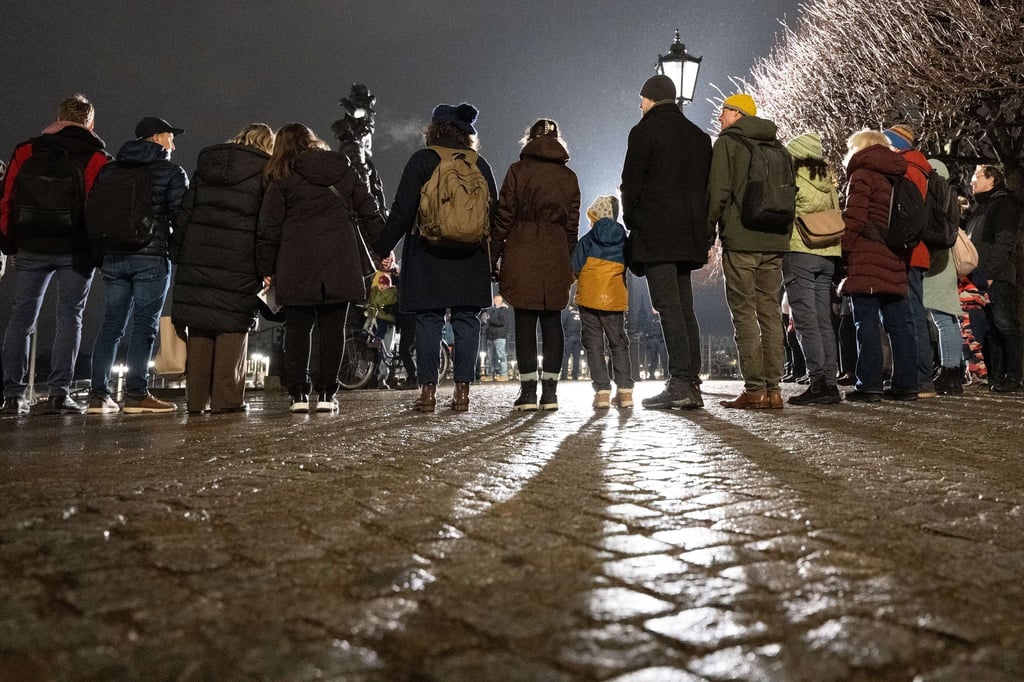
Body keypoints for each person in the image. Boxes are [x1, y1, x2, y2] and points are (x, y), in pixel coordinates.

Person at [374, 103, 496, 413]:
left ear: (434, 129)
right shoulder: (480, 165)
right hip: (471, 256)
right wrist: (495, 259)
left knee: (428, 320)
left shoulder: (422, 160)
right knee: (467, 320)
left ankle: (428, 392)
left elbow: (402, 210)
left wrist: (382, 246)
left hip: (427, 253)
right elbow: (493, 217)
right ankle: (463, 393)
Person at [256, 123, 385, 413]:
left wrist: (265, 266)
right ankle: (327, 393)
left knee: (297, 330)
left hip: (296, 263)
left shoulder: (282, 176)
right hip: (340, 260)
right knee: (333, 329)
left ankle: (299, 394)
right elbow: (369, 210)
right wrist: (384, 248)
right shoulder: (343, 169)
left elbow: (269, 226)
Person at [1, 94, 110, 415]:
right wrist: (98, 251)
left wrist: (10, 242)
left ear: (58, 116)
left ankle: (13, 395)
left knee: (21, 318)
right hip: (76, 249)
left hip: (32, 243)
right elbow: (100, 210)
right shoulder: (97, 157)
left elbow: (7, 197)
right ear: (90, 122)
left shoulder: (26, 150)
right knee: (70, 319)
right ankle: (60, 394)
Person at [620, 75, 712, 409]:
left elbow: (630, 184)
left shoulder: (643, 132)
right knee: (685, 308)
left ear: (652, 99)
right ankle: (691, 380)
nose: (639, 105)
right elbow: (707, 190)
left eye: (642, 99)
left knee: (668, 308)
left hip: (657, 234)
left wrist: (633, 222)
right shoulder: (699, 138)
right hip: (688, 234)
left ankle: (680, 382)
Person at [170, 123, 275, 415]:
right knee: (232, 326)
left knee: (200, 325)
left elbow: (185, 211)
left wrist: (177, 252)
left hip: (197, 254)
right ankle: (227, 400)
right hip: (239, 260)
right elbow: (266, 224)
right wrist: (268, 265)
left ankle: (196, 401)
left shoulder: (206, 166)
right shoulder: (267, 172)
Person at [86, 117, 189, 414]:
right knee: (144, 325)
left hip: (114, 257)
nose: (173, 142)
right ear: (156, 137)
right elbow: (180, 217)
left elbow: (96, 211)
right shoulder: (171, 172)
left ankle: (98, 395)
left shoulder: (110, 169)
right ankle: (136, 394)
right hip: (151, 256)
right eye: (170, 136)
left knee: (110, 325)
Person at [708, 93, 791, 409]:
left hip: (742, 240)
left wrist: (708, 235)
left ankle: (754, 389)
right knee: (769, 311)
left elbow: (718, 192)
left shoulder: (728, 144)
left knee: (744, 313)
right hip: (774, 240)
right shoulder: (776, 145)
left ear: (735, 114)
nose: (719, 118)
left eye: (723, 112)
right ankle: (774, 390)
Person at [491, 118, 580, 411]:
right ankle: (551, 393)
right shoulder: (569, 178)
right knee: (553, 321)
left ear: (529, 139)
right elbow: (572, 227)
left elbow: (503, 216)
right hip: (555, 250)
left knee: (525, 322)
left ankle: (528, 392)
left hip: (522, 248)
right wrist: (566, 259)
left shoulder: (518, 171)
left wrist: (493, 255)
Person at [838, 130, 918, 401]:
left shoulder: (862, 174)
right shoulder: (897, 176)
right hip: (894, 255)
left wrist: (843, 251)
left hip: (867, 256)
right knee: (898, 324)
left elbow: (855, 219)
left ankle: (869, 383)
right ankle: (907, 384)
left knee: (866, 322)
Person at [782, 132, 842, 404]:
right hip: (828, 253)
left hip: (801, 252)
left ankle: (817, 382)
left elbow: (787, 212)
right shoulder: (828, 180)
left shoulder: (794, 177)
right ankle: (830, 381)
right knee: (823, 321)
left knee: (806, 321)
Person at [883, 125, 936, 398]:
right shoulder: (920, 167)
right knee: (913, 312)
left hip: (909, 251)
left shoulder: (907, 168)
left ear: (896, 145)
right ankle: (919, 377)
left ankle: (921, 378)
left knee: (912, 315)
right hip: (917, 249)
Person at [571, 194, 634, 409]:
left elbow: (576, 266)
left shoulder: (588, 239)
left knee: (594, 345)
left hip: (589, 298)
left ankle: (602, 393)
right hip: (614, 297)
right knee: (618, 344)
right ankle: (625, 392)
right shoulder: (623, 238)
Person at [967, 164, 1023, 392]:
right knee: (991, 328)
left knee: (1005, 325)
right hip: (983, 276)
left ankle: (1014, 376)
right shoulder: (982, 208)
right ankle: (996, 375)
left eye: (976, 177)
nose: (972, 181)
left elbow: (1004, 244)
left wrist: (990, 274)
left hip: (996, 277)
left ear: (992, 179)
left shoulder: (1003, 205)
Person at [921, 159, 964, 395]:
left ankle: (950, 372)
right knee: (947, 318)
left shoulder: (936, 195)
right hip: (945, 265)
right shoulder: (949, 197)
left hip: (938, 264)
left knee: (943, 319)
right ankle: (951, 371)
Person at [482, 294, 510, 381]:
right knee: (490, 357)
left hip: (499, 336)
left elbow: (502, 322)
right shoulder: (490, 310)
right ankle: (491, 374)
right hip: (490, 336)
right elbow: (486, 320)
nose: (495, 301)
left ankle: (504, 374)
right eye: (495, 300)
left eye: (497, 300)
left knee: (501, 356)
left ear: (500, 301)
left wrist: (490, 319)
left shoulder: (503, 310)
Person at [560, 304, 583, 381]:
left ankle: (564, 376)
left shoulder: (568, 312)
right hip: (578, 338)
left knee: (565, 357)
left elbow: (563, 323)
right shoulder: (579, 314)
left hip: (569, 337)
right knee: (576, 358)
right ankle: (575, 376)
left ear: (570, 306)